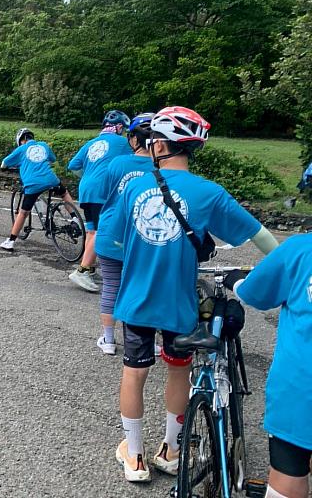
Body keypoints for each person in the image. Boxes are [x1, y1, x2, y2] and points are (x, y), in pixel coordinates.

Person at [105, 106, 278, 483]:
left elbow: (115, 238)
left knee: (134, 372)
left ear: (162, 145)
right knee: (178, 370)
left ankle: (134, 457)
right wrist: (288, 261)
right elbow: (255, 234)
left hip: (136, 297)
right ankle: (170, 449)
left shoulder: (134, 186)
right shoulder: (209, 193)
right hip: (179, 301)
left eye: (152, 141)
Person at [223, 238, 312, 498]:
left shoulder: (301, 249)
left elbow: (255, 294)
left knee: (288, 476)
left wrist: (235, 281)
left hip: (300, 389)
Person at [94, 113, 157, 355]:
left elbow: (103, 194)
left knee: (111, 285)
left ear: (133, 140)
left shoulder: (118, 164)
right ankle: (146, 341)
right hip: (145, 238)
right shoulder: (160, 167)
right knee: (143, 288)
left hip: (111, 233)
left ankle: (108, 340)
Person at [67, 110, 133, 292]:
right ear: (120, 127)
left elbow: (72, 165)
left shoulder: (91, 143)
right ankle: (82, 271)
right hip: (103, 190)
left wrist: (87, 175)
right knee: (101, 230)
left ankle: (88, 265)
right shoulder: (122, 143)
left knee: (91, 231)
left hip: (86, 189)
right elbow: (136, 159)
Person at [0, 128, 74, 251]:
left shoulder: (21, 149)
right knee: (64, 193)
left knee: (23, 213)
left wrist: (4, 168)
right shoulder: (43, 145)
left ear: (22, 140)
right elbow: (52, 159)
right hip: (51, 179)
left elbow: (5, 162)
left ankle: (11, 241)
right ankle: (75, 218)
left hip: (33, 184)